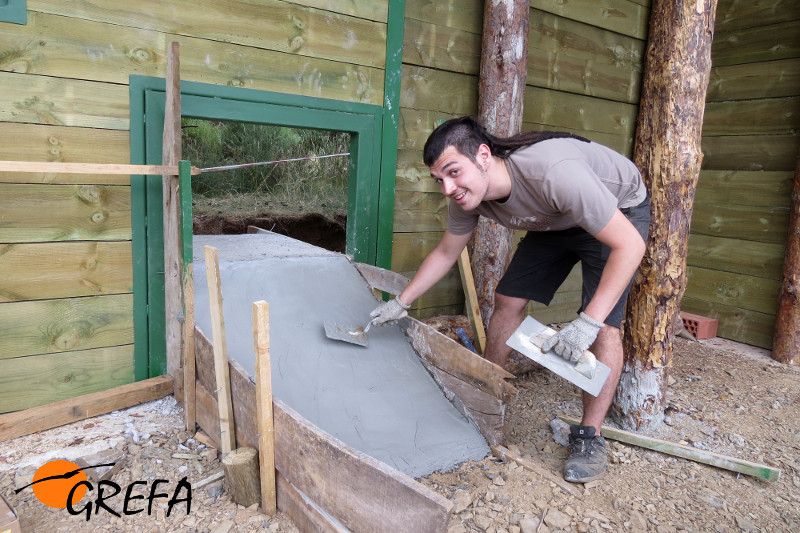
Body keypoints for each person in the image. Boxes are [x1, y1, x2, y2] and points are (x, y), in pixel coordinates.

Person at [369, 116, 650, 483]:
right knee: (508, 298)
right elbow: (446, 252)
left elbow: (630, 245)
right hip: (555, 219)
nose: (448, 188)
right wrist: (401, 302)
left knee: (604, 329)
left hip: (618, 211)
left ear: (483, 155)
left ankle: (590, 437)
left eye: (454, 172)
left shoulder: (553, 172)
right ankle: (486, 393)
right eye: (440, 179)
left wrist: (588, 321)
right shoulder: (466, 197)